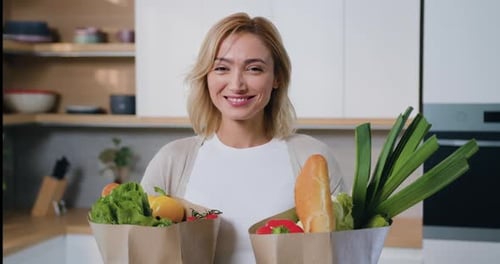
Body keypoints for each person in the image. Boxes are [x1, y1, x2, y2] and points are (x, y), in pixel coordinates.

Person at [141, 12, 345, 264]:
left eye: (254, 69)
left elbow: (340, 251)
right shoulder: (172, 161)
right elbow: (142, 250)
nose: (237, 84)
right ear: (207, 76)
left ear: (277, 78)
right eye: (222, 68)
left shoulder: (311, 159)